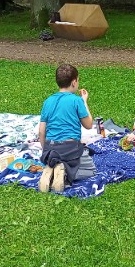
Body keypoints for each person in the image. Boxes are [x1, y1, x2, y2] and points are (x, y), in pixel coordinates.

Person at [38, 63, 97, 193]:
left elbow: (41, 131)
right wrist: (84, 101)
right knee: (91, 170)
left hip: (50, 147)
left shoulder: (48, 101)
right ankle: (64, 172)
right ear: (74, 82)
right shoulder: (76, 100)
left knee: (56, 157)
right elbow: (88, 125)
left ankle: (52, 168)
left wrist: (45, 151)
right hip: (70, 148)